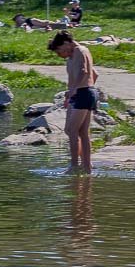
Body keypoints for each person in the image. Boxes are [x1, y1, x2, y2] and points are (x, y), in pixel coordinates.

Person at [50, 31, 99, 174]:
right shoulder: (74, 55)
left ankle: (74, 166)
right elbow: (95, 74)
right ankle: (87, 166)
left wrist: (75, 90)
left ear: (66, 43)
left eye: (59, 51)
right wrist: (71, 93)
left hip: (83, 94)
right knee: (81, 131)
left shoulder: (79, 51)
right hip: (83, 93)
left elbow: (84, 72)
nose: (60, 55)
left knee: (72, 130)